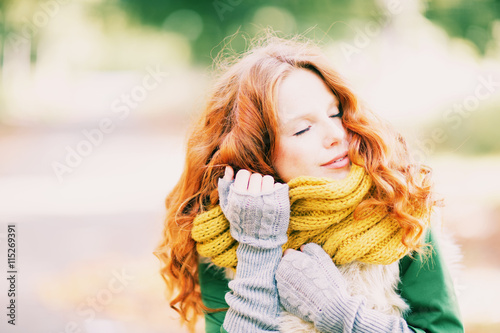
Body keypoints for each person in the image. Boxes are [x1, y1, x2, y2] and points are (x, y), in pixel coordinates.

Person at [155, 34, 464, 333]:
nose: (336, 135)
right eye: (303, 129)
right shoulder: (226, 238)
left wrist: (341, 314)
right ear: (256, 152)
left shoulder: (399, 208)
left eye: (336, 113)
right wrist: (257, 252)